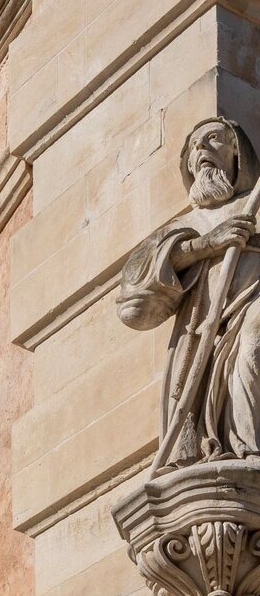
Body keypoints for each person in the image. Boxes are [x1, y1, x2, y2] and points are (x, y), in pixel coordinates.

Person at [117, 117, 260, 471]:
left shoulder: (254, 205)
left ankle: (247, 446)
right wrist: (205, 244)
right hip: (200, 332)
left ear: (236, 153)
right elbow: (132, 295)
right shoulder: (185, 226)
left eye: (213, 139)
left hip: (250, 307)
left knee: (253, 341)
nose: (201, 149)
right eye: (194, 147)